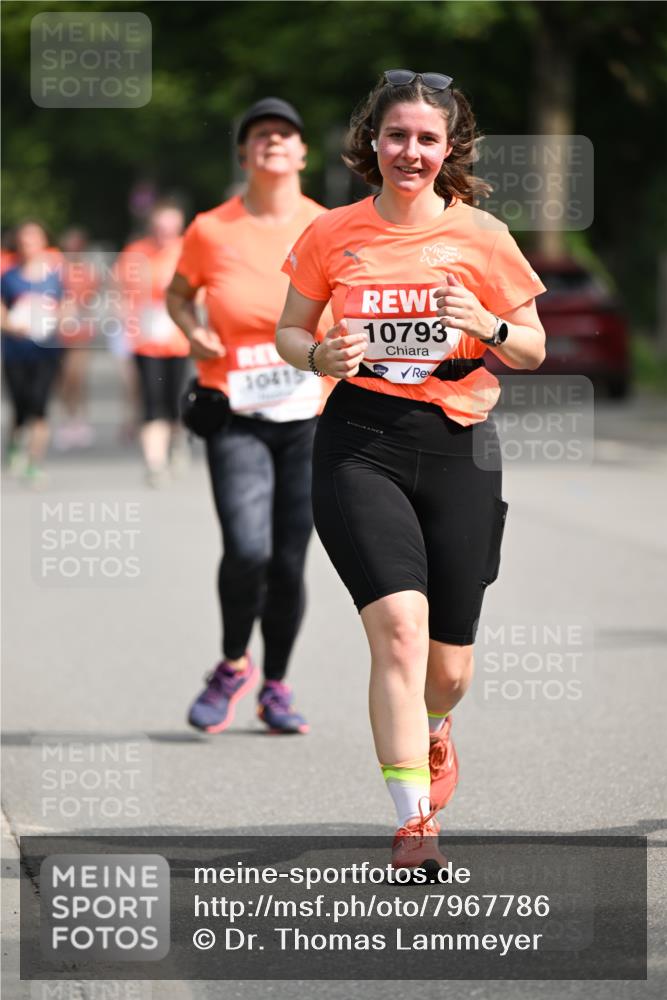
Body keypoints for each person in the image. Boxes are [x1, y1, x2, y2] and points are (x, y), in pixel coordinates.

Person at [277, 70, 546, 870]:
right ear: (372, 141)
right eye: (395, 135)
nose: (410, 151)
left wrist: (490, 323)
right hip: (359, 439)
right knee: (397, 631)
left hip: (458, 442)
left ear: (449, 149)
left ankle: (434, 728)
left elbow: (531, 347)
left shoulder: (484, 236)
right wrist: (318, 352)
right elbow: (290, 330)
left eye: (427, 138)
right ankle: (413, 822)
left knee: (448, 670)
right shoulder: (333, 232)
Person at [166, 98, 330, 734]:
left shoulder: (330, 225)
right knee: (247, 548)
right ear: (245, 153)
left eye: (285, 133)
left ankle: (277, 687)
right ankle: (233, 663)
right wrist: (192, 331)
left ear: (302, 153)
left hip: (311, 414)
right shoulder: (211, 228)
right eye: (260, 134)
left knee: (289, 560)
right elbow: (179, 295)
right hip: (234, 411)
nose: (273, 142)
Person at [117, 202, 191, 485]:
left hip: (178, 340)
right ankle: (155, 464)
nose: (164, 234)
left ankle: (176, 442)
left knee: (174, 402)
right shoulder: (136, 252)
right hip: (145, 340)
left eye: (170, 229)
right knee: (151, 401)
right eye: (160, 228)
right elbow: (123, 291)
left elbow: (201, 289)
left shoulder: (187, 249)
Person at [1, 221, 64, 486]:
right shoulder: (8, 277)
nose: (28, 245)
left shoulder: (55, 276)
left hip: (47, 350)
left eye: (33, 239)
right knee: (20, 404)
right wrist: (11, 326)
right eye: (24, 240)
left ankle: (33, 462)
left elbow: (68, 307)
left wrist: (54, 321)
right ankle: (15, 443)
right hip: (16, 350)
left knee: (39, 405)